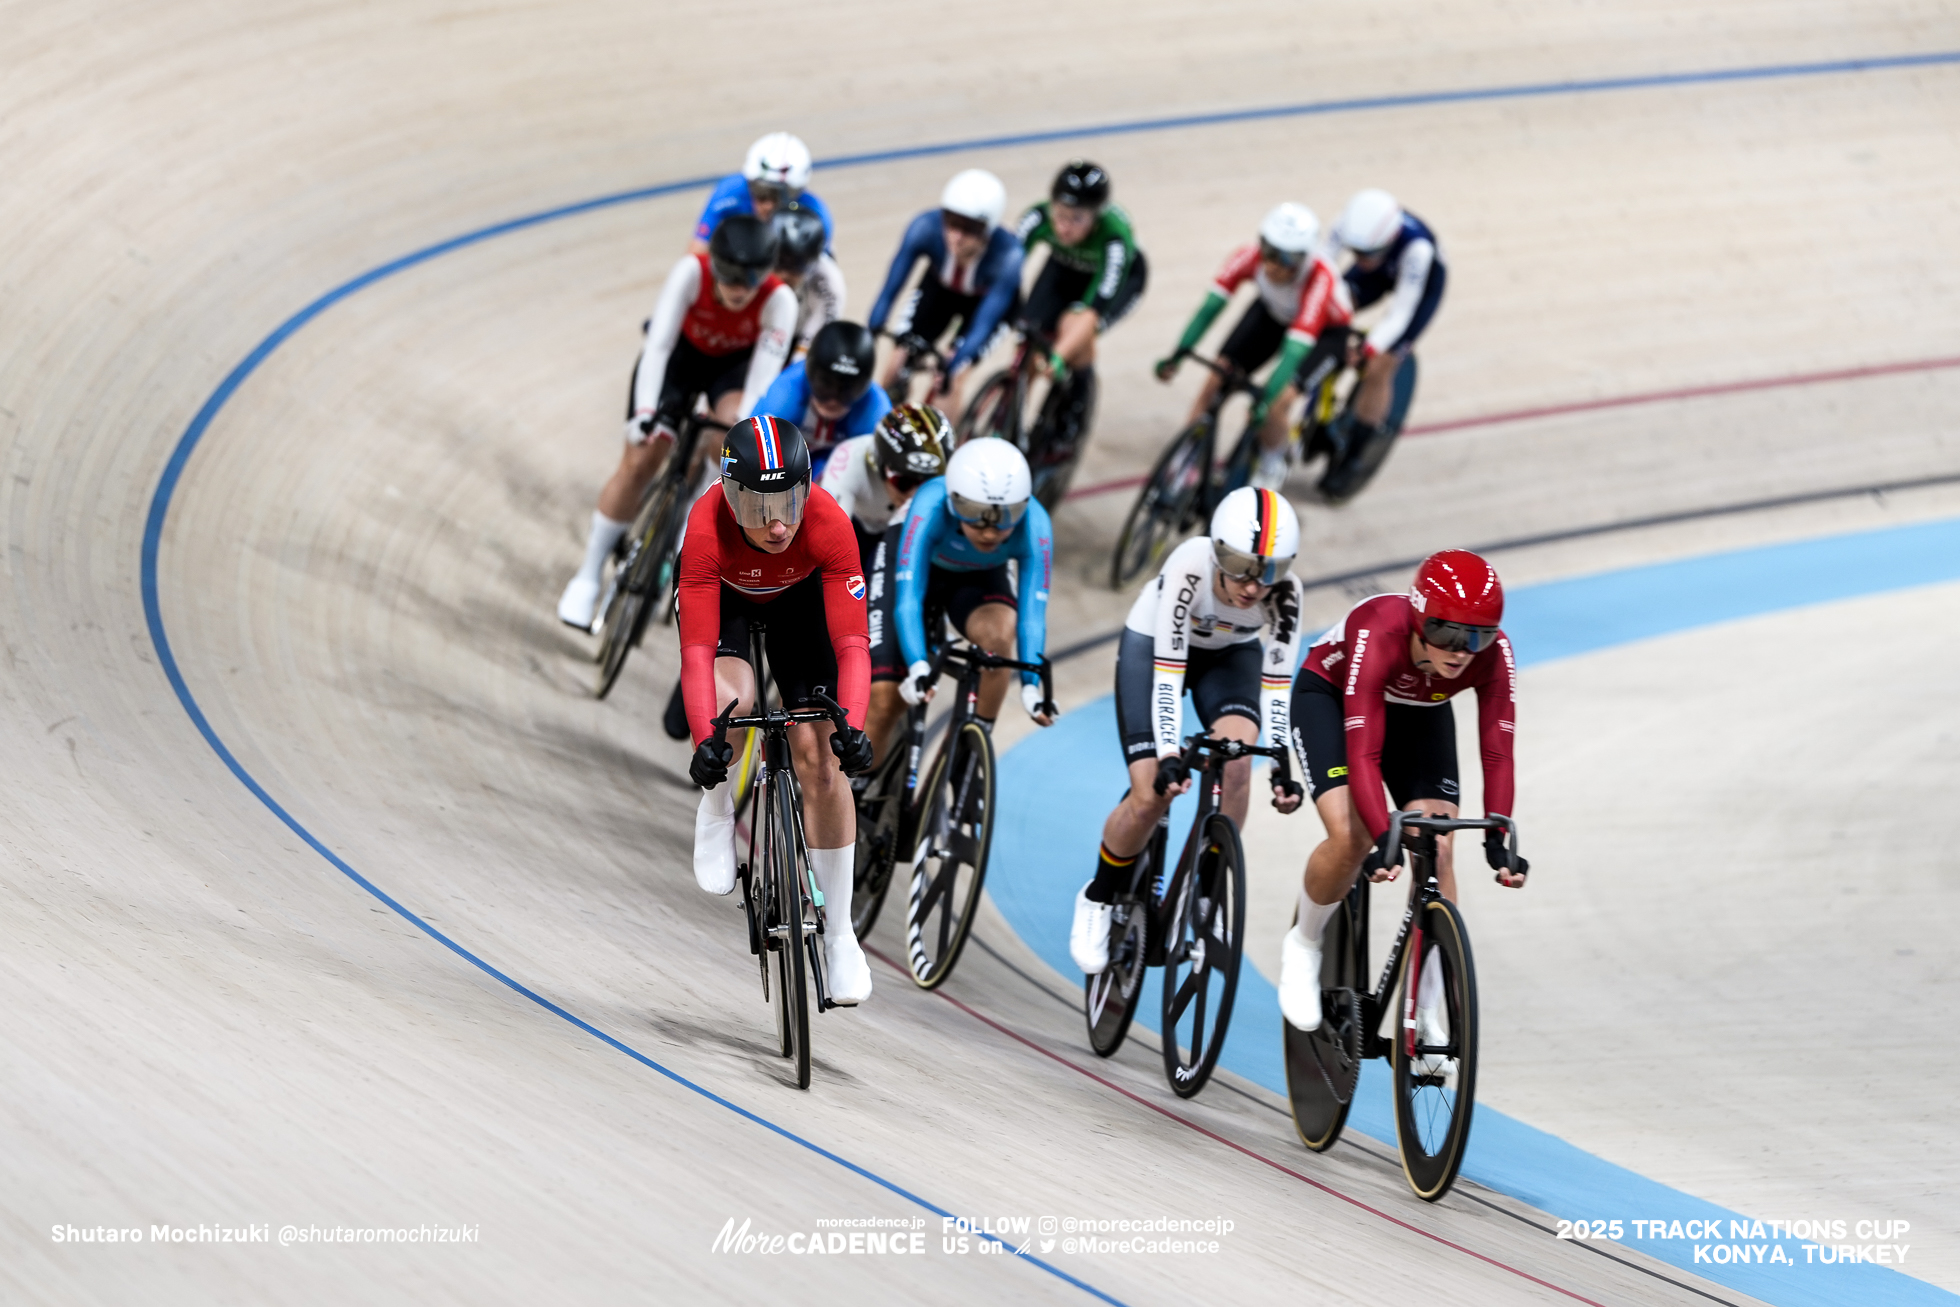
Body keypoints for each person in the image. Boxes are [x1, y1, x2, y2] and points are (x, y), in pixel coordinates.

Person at [1277, 549, 1526, 1041]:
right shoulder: (1378, 632)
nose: (1461, 650)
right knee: (1351, 838)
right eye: (1447, 633)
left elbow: (1498, 753)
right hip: (1332, 696)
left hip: (1420, 709)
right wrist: (1379, 835)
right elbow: (1364, 753)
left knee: (1439, 845)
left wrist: (1497, 835)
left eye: (1478, 636)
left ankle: (1427, 1006)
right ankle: (1304, 944)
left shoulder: (1492, 656)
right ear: (1417, 618)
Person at [679, 415, 878, 1003]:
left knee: (820, 753)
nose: (776, 522)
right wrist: (705, 744)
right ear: (729, 495)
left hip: (800, 603)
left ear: (808, 489)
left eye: (790, 500)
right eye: (758, 503)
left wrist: (855, 726)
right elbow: (696, 654)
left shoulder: (828, 524)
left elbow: (852, 647)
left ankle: (842, 936)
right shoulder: (704, 528)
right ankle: (717, 814)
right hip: (726, 601)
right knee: (729, 703)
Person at [1070, 488, 1308, 973]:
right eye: (1240, 565)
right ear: (1217, 551)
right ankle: (1098, 896)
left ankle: (1205, 894)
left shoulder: (1286, 595)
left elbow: (1278, 688)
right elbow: (1168, 674)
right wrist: (1169, 755)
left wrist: (1281, 762)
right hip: (1154, 648)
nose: (1253, 585)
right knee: (1149, 794)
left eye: (1269, 571)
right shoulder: (1190, 565)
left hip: (1230, 656)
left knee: (1239, 761)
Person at [558, 214, 798, 630]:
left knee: (729, 440)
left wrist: (739, 439)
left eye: (750, 280)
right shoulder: (692, 272)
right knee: (640, 460)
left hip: (732, 374)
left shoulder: (781, 302)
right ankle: (588, 574)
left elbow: (761, 384)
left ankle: (689, 516)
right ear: (716, 266)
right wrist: (646, 413)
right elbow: (658, 345)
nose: (739, 289)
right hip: (678, 360)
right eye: (730, 278)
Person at [1155, 203, 1354, 489]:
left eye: (1286, 259)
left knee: (1276, 404)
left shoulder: (1319, 278)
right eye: (1269, 252)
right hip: (1273, 314)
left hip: (1326, 333)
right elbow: (1210, 308)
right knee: (1217, 376)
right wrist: (1177, 354)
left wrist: (1265, 398)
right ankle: (1188, 451)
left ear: (1304, 258)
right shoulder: (1249, 256)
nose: (1273, 264)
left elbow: (1294, 350)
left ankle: (1274, 459)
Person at [891, 439, 1056, 730]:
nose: (990, 532)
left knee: (998, 639)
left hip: (980, 576)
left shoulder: (1035, 524)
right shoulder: (930, 504)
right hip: (920, 567)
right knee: (884, 695)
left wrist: (1031, 687)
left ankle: (971, 746)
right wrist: (917, 665)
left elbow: (1032, 618)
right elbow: (907, 600)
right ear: (953, 502)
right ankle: (865, 776)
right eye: (975, 515)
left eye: (1006, 517)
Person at [820, 406, 950, 765]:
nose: (916, 497)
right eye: (905, 483)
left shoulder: (926, 498)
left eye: (929, 484)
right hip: (857, 532)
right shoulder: (850, 463)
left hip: (902, 541)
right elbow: (824, 547)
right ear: (880, 466)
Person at [1011, 160, 1147, 450]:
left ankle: (1074, 412)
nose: (1063, 226)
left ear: (1096, 217)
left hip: (1116, 283)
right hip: (1064, 268)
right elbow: (1006, 271)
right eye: (1059, 214)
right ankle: (1011, 415)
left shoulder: (1114, 237)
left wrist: (1059, 356)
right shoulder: (1037, 217)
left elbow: (1094, 308)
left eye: (1076, 219)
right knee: (1030, 337)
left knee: (1074, 333)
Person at [867, 169, 1024, 411]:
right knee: (897, 360)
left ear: (987, 231)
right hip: (941, 292)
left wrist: (955, 363)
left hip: (987, 307)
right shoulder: (925, 228)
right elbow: (891, 288)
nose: (956, 237)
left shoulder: (1008, 258)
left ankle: (946, 446)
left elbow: (983, 325)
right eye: (951, 223)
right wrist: (875, 324)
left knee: (951, 379)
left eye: (969, 229)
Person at [1329, 188, 1446, 453]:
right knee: (1330, 314)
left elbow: (1400, 313)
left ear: (1390, 238)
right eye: (1355, 252)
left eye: (1367, 253)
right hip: (1380, 272)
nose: (1360, 260)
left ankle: (1358, 449)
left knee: (1380, 366)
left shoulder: (1418, 248)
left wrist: (1368, 348)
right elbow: (1324, 271)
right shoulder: (1346, 225)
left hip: (1421, 287)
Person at [689, 132, 835, 253]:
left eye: (779, 195)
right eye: (760, 192)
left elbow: (822, 272)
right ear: (748, 183)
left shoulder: (816, 215)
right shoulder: (730, 192)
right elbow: (697, 254)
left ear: (797, 192)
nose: (767, 205)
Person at [773, 204, 846, 361]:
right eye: (778, 263)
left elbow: (805, 352)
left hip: (801, 334)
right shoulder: (754, 262)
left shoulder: (829, 284)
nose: (784, 274)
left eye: (796, 265)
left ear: (813, 261)